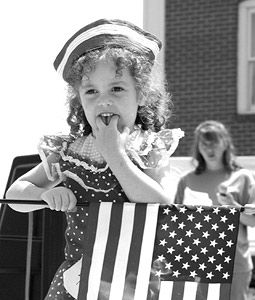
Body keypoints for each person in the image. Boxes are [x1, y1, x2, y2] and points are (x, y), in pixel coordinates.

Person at [6, 19, 184, 299]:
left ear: (141, 95)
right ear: (79, 101)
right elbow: (15, 195)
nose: (104, 100)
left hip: (133, 283)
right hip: (79, 282)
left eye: (117, 89)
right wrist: (43, 195)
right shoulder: (70, 152)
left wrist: (115, 155)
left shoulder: (149, 147)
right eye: (91, 91)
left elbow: (161, 206)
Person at [174, 120, 255, 300]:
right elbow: (175, 223)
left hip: (235, 264)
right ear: (198, 147)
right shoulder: (186, 181)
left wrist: (233, 207)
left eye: (214, 142)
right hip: (197, 263)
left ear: (225, 143)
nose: (209, 148)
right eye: (204, 143)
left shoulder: (242, 177)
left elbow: (253, 221)